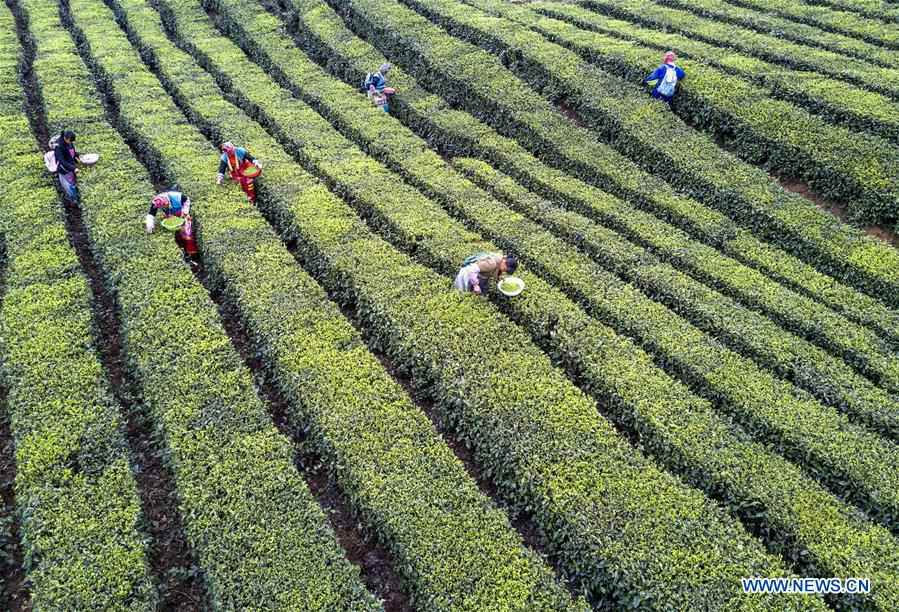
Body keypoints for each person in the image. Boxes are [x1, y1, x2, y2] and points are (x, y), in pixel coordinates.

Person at [144, 190, 199, 265]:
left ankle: (193, 256)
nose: (163, 207)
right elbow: (151, 214)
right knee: (178, 233)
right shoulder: (156, 202)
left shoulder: (178, 197)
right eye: (162, 207)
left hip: (182, 208)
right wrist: (150, 226)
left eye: (165, 205)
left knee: (187, 233)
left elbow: (186, 201)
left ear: (167, 201)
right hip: (173, 211)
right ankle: (183, 249)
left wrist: (185, 212)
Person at [454, 252, 518, 295]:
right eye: (505, 269)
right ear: (504, 262)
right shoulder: (491, 264)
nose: (504, 271)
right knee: (464, 293)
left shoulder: (501, 259)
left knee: (481, 293)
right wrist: (475, 285)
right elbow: (472, 270)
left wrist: (499, 278)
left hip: (481, 276)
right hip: (468, 274)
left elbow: (496, 270)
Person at [52, 130, 81, 200]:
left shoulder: (69, 143)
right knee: (69, 186)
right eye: (70, 141)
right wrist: (73, 168)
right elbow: (62, 161)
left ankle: (76, 197)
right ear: (65, 138)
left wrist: (78, 155)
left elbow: (73, 152)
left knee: (74, 184)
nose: (71, 143)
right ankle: (74, 200)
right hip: (64, 169)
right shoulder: (58, 147)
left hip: (71, 167)